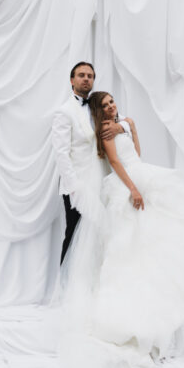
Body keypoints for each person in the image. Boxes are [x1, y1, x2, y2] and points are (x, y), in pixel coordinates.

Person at [81, 90, 184, 359]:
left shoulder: (123, 124)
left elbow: (136, 154)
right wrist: (133, 188)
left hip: (140, 170)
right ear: (98, 110)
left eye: (112, 102)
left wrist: (131, 126)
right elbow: (117, 162)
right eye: (105, 105)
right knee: (131, 239)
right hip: (127, 181)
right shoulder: (106, 130)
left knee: (163, 228)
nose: (110, 107)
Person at [50, 62, 123, 261]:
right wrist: (75, 188)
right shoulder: (64, 112)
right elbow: (61, 154)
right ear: (72, 80)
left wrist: (121, 127)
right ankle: (66, 286)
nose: (86, 79)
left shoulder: (95, 106)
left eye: (90, 75)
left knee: (97, 235)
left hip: (100, 180)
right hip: (77, 185)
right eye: (81, 75)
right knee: (74, 235)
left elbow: (120, 118)